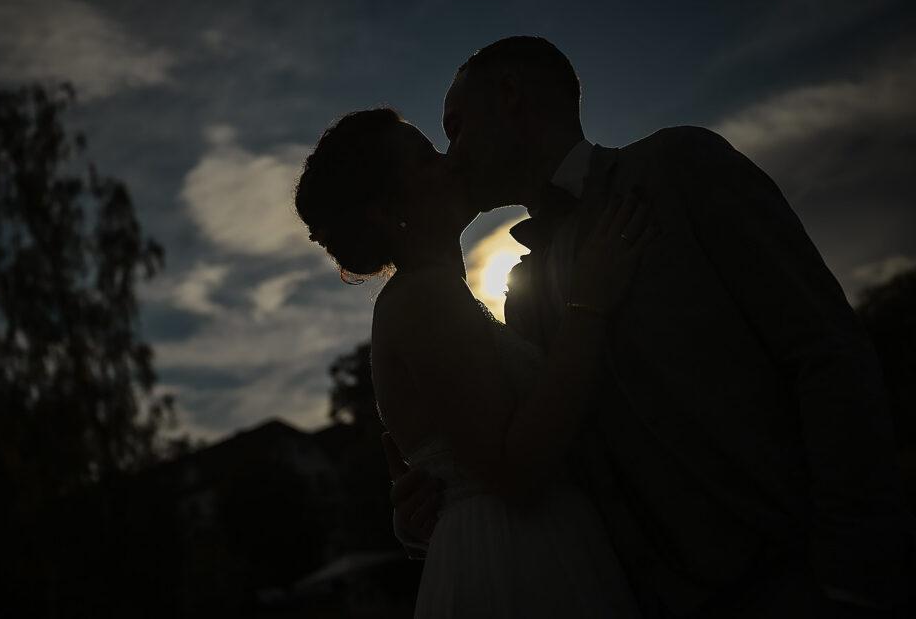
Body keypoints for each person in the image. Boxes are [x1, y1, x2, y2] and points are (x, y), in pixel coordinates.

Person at [387, 36, 915, 618]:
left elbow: (824, 352)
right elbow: (549, 459)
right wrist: (447, 501)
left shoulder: (680, 168)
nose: (450, 155)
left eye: (456, 127)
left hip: (797, 582)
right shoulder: (521, 296)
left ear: (510, 95)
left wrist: (852, 575)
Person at [295, 108, 649, 617]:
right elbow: (512, 470)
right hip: (520, 560)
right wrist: (589, 306)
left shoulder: (441, 298)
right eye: (424, 159)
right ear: (387, 209)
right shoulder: (423, 298)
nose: (448, 163)